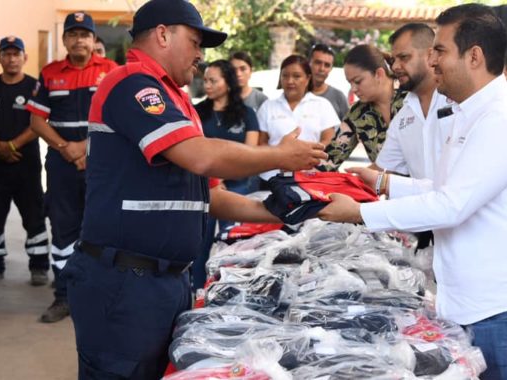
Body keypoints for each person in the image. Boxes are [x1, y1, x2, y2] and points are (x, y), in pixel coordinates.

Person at [65, 0, 325, 377]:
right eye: (195, 42)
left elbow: (213, 196)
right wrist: (280, 155)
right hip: (124, 283)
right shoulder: (132, 84)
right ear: (163, 34)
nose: (201, 56)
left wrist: (286, 210)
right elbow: (202, 158)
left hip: (162, 282)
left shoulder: (178, 101)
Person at [318, 4, 507, 378]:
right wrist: (384, 182)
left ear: (474, 56)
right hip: (480, 302)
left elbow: (451, 205)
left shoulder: (505, 119)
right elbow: (444, 189)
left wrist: (360, 213)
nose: (431, 61)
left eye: (439, 50)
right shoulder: (467, 114)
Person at [26, 11, 118, 323]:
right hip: (62, 164)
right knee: (63, 230)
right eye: (73, 34)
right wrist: (67, 148)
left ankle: (99, 296)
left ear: (94, 40)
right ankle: (64, 296)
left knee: (104, 228)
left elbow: (120, 119)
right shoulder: (50, 73)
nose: (79, 39)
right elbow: (37, 121)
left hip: (103, 165)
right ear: (64, 40)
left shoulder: (112, 71)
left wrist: (86, 148)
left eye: (85, 34)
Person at [0, 36, 49, 286]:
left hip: (26, 167)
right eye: (6, 54)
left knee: (34, 216)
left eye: (16, 54)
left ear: (24, 57)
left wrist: (11, 146)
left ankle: (39, 267)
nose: (11, 58)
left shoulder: (35, 87)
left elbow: (40, 122)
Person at [192, 59, 260, 290]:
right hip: (205, 188)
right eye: (205, 80)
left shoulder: (247, 114)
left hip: (239, 187)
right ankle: (198, 291)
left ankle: (228, 291)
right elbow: (193, 151)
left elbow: (250, 154)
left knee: (235, 244)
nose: (207, 85)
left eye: (213, 80)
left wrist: (223, 173)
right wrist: (215, 179)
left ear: (228, 83)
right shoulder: (197, 113)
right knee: (199, 244)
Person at [374, 22, 453, 180]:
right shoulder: (402, 117)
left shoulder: (459, 101)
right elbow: (382, 172)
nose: (395, 66)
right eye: (393, 60)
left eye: (404, 57)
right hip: (422, 204)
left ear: (430, 55)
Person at [318, 44, 406, 171]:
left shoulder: (411, 97)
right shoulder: (357, 113)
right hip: (384, 190)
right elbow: (328, 161)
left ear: (379, 74)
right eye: (350, 83)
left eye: (358, 81)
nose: (353, 89)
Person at [257, 54, 339, 181]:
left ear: (307, 79)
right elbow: (261, 143)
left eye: (296, 76)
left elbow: (329, 141)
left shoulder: (322, 105)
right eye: (285, 75)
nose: (290, 81)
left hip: (311, 176)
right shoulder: (268, 106)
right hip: (272, 177)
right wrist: (279, 157)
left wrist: (305, 158)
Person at [309, 43, 349, 120]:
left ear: (331, 69)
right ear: (309, 63)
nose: (322, 69)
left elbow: (348, 129)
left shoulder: (339, 97)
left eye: (327, 65)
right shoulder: (297, 94)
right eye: (318, 63)